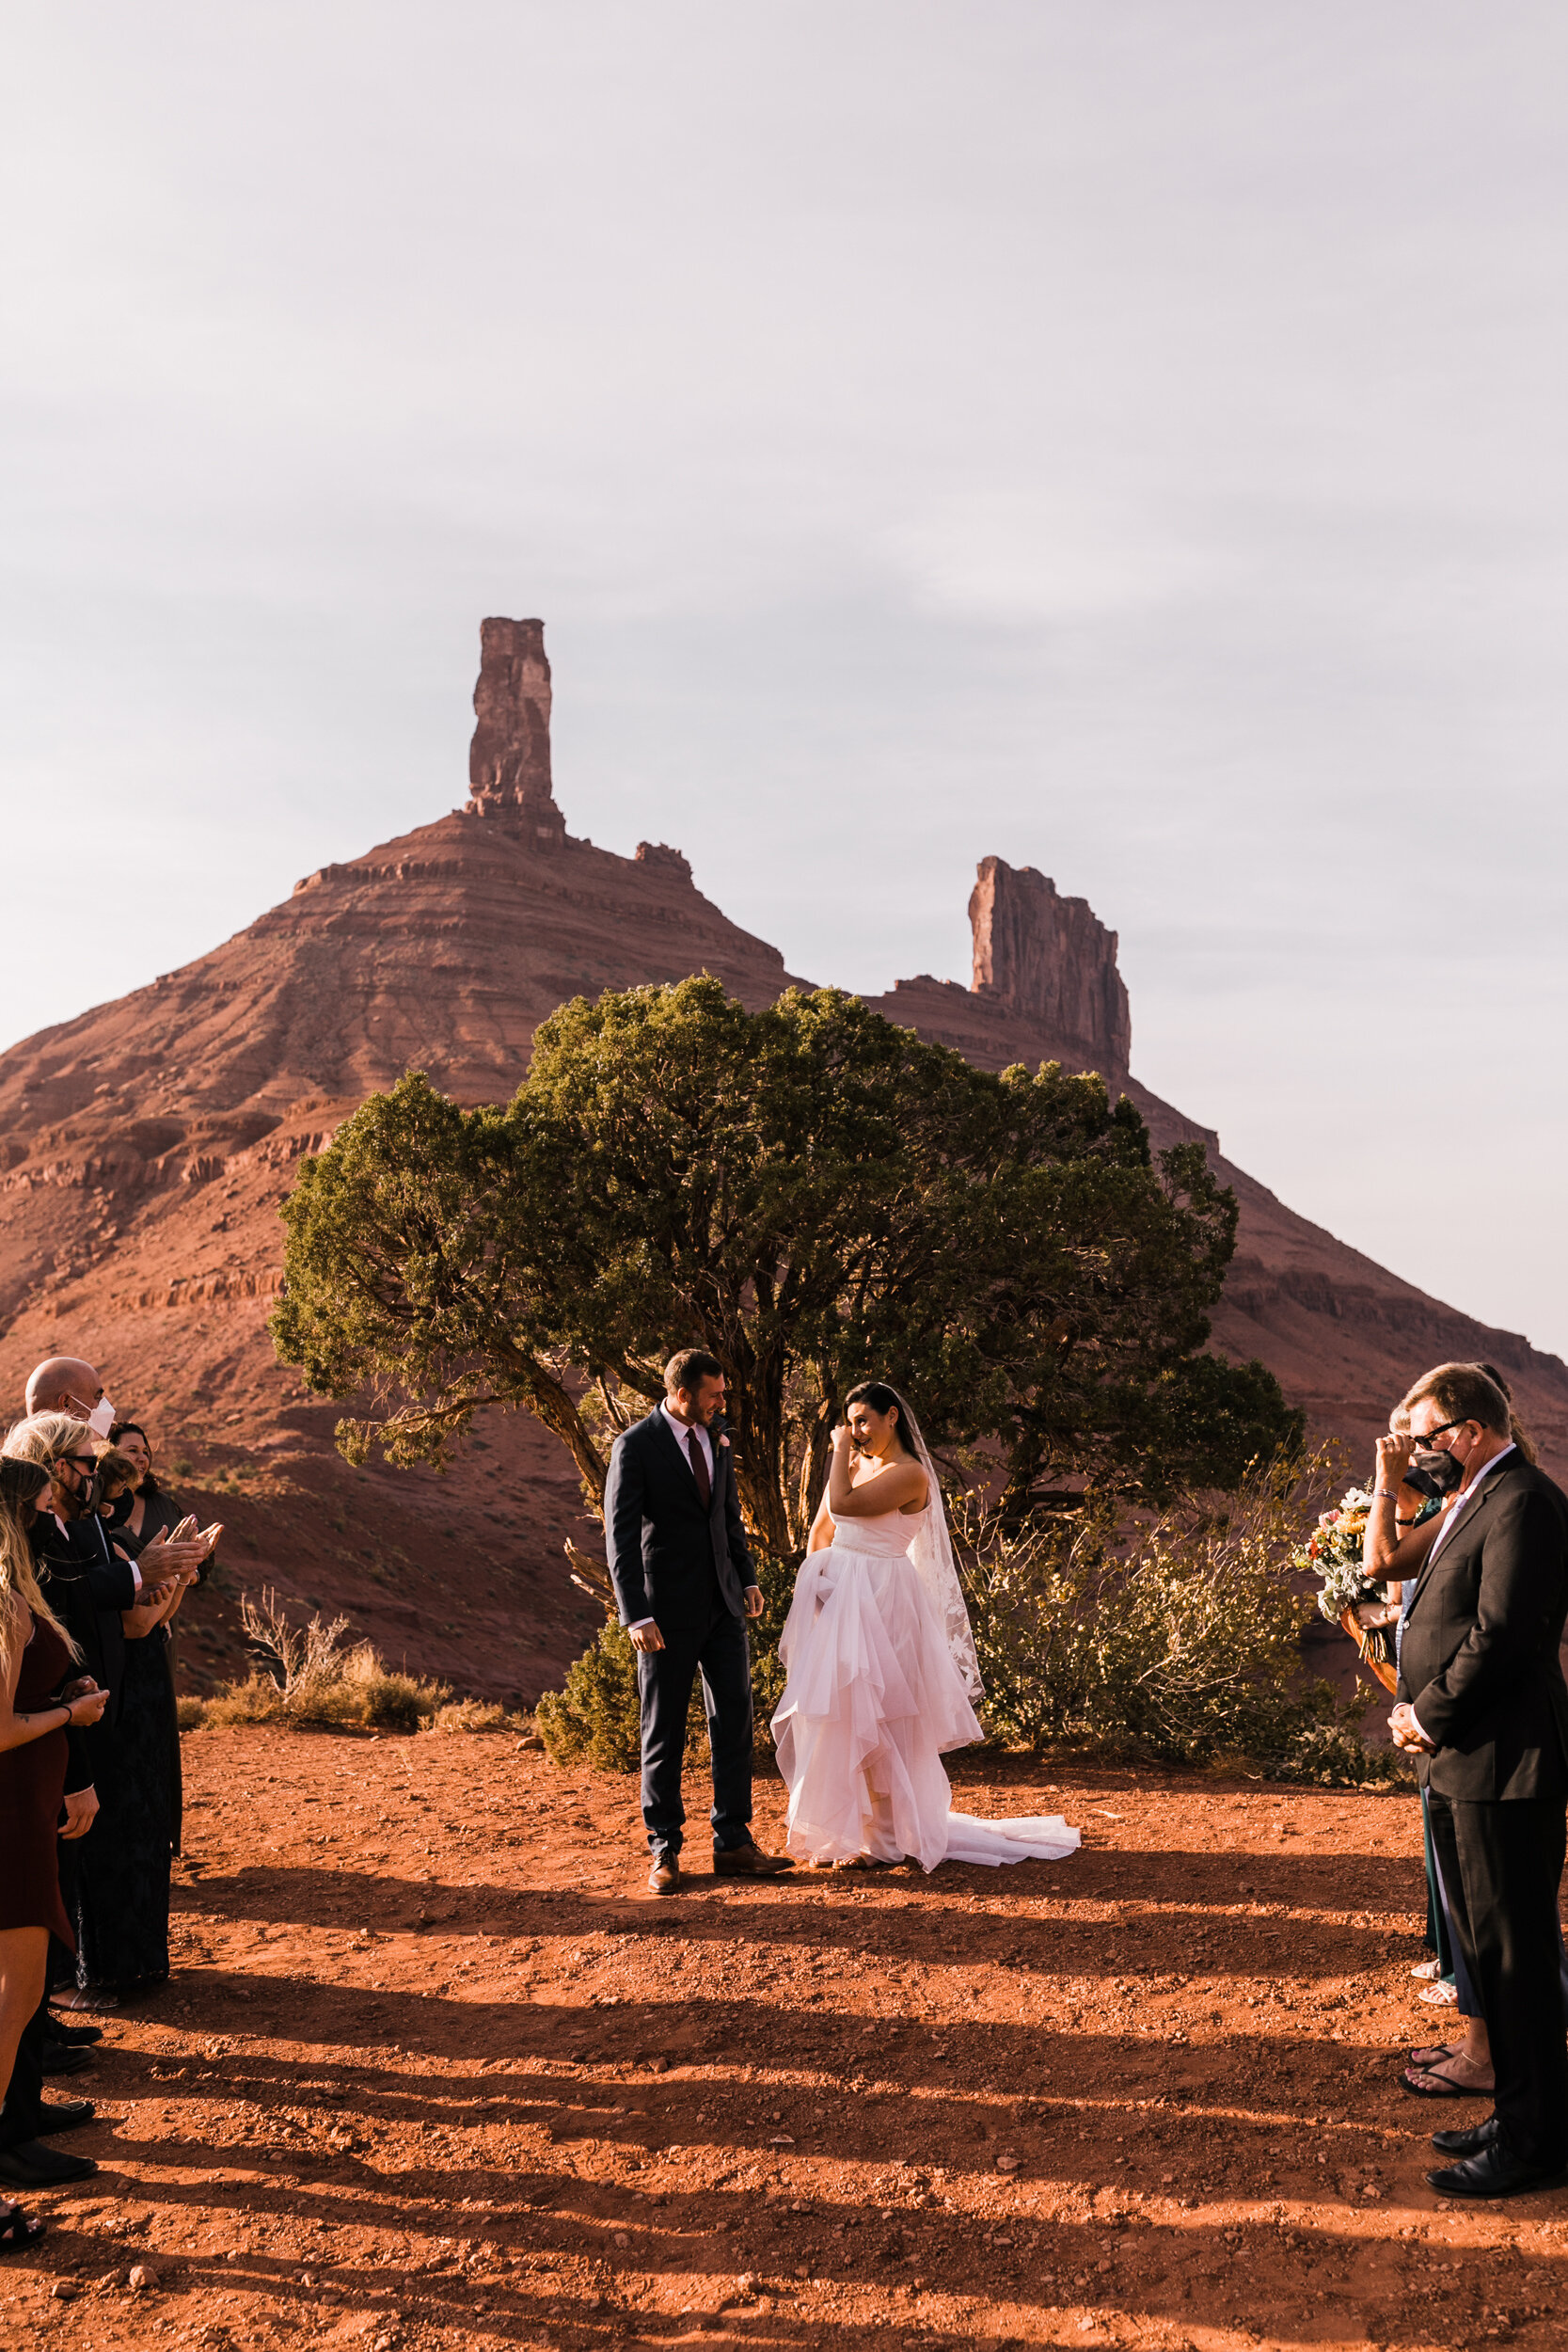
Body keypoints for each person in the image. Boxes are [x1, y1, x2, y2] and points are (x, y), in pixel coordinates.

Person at [770, 1380, 1080, 1872]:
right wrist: (823, 1592)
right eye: (850, 1424)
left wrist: (837, 1451)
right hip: (843, 1601)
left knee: (885, 1717)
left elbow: (846, 1506)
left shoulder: (909, 1474)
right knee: (841, 1717)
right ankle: (853, 1832)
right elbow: (822, 1531)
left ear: (891, 1416)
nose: (856, 1432)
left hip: (885, 1599)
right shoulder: (856, 1468)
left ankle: (888, 1841)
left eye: (863, 1422)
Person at [1388, 1360, 1568, 2198]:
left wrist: (1428, 1714)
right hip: (1468, 1759)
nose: (1419, 1452)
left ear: (1466, 1432)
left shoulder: (1524, 1501)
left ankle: (1536, 2144)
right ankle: (1515, 2111)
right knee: (1487, 1955)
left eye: (1426, 1439)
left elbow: (1501, 1634)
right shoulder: (1483, 1498)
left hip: (1505, 1760)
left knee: (1515, 1954)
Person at [604, 1349, 794, 1895]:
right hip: (663, 1615)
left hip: (723, 1607)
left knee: (733, 1721)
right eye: (714, 1394)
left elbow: (727, 1515)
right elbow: (618, 1538)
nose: (722, 1402)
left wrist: (747, 1577)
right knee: (662, 1732)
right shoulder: (635, 1446)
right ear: (683, 1393)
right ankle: (664, 1850)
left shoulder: (715, 1436)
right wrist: (635, 1613)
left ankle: (733, 1843)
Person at [0, 1457, 110, 2230]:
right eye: (41, 1510)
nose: (52, 1521)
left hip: (25, 1807)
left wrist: (58, 1697)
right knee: (12, 2005)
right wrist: (68, 1718)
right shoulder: (4, 1602)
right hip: (7, 1817)